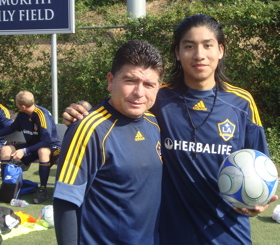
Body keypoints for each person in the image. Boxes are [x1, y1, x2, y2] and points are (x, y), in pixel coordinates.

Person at [62, 14, 278, 244]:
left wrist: (257, 202)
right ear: (177, 53)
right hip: (169, 234)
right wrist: (82, 111)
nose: (199, 55)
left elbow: (259, 168)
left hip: (227, 235)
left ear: (221, 50)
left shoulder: (242, 103)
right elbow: (117, 110)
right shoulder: (157, 96)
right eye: (189, 46)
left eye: (208, 45)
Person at [53, 40, 165, 245]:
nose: (139, 93)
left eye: (149, 84)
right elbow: (65, 202)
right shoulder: (88, 129)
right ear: (111, 81)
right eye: (130, 80)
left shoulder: (155, 124)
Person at [0, 91, 61, 204]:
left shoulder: (42, 114)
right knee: (5, 149)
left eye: (16, 103)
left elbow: (47, 140)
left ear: (22, 106)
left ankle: (42, 189)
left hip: (50, 146)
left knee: (43, 152)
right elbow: (12, 128)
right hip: (31, 145)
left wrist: (24, 151)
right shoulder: (22, 114)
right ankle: (6, 188)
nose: (16, 105)